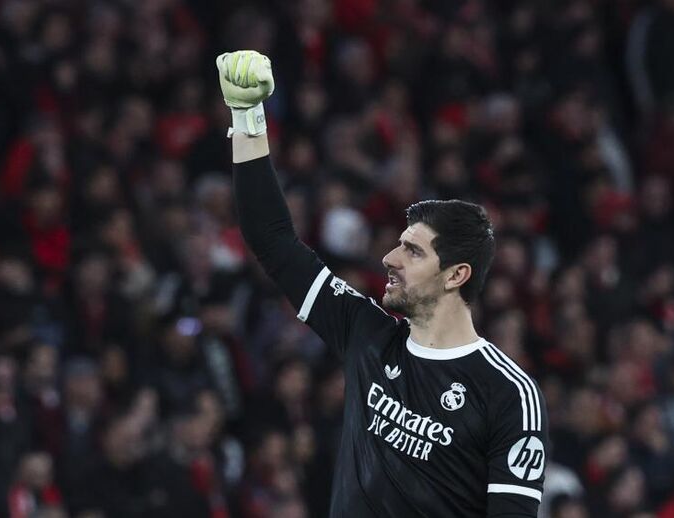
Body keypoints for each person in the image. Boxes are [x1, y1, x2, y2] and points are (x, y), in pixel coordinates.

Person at [218, 50, 548, 517]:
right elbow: (272, 240)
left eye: (413, 251)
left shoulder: (507, 393)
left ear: (456, 275)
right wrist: (247, 117)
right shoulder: (367, 333)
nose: (389, 259)